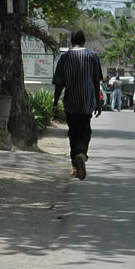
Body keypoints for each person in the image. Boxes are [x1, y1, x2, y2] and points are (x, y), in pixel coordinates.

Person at [52, 30, 102, 180]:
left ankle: (75, 166)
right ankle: (82, 153)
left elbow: (59, 83)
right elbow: (96, 82)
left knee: (73, 132)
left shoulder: (65, 57)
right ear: (84, 40)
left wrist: (55, 103)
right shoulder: (92, 56)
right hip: (87, 101)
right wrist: (98, 103)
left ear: (71, 41)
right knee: (85, 130)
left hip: (71, 101)